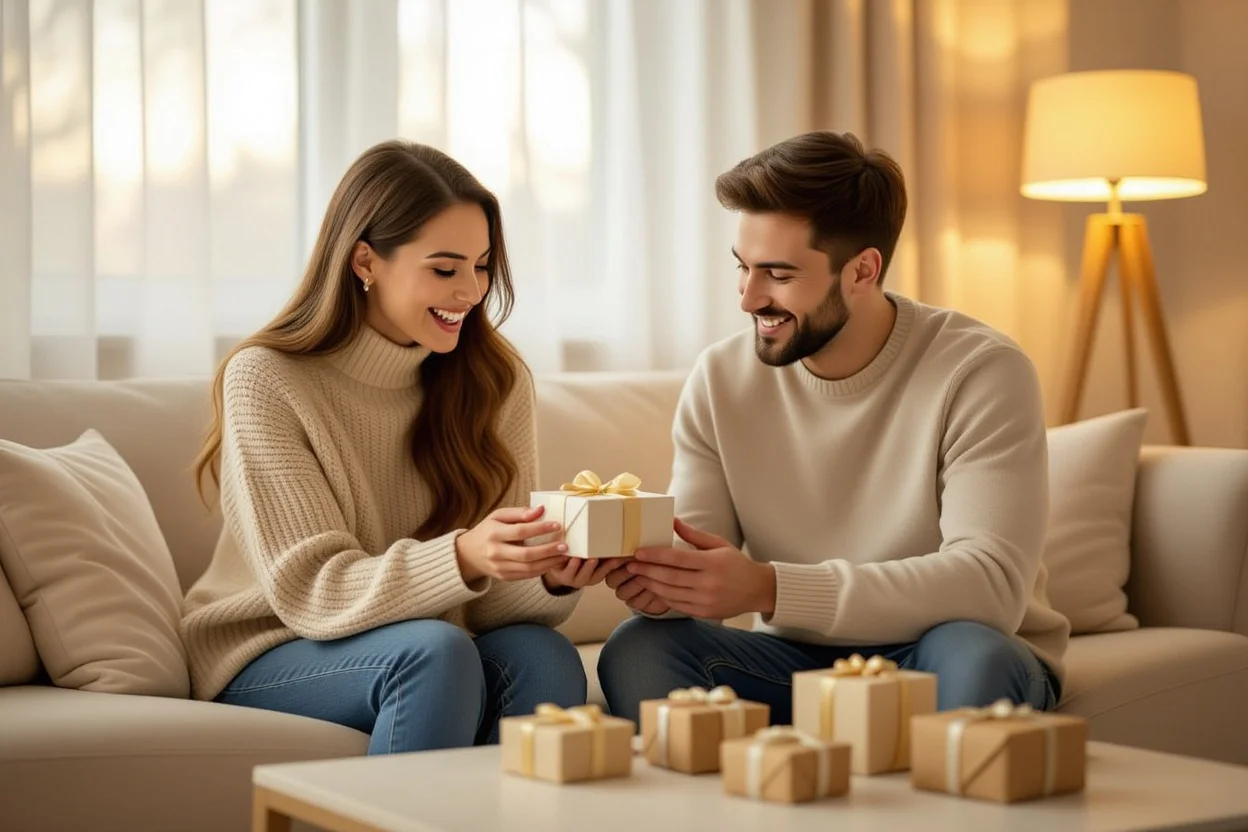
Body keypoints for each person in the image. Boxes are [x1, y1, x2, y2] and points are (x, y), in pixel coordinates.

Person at [597, 130, 1071, 725]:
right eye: (742, 268)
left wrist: (769, 589)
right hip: (796, 661)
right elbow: (703, 565)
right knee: (641, 649)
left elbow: (989, 586)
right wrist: (654, 580)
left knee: (975, 656)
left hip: (937, 650)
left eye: (778, 274)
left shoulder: (980, 371)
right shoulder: (720, 378)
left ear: (862, 271)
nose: (748, 299)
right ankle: (760, 799)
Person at [181, 141, 621, 754]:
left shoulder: (495, 380)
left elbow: (488, 611)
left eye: (483, 265)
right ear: (366, 261)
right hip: (274, 646)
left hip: (427, 637)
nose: (470, 291)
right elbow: (312, 591)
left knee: (539, 656)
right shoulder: (267, 377)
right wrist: (465, 555)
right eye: (444, 269)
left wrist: (549, 576)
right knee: (432, 653)